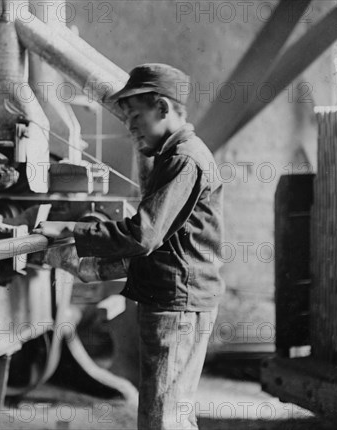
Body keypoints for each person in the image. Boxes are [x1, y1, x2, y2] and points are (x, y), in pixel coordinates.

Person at [33, 63, 224, 430]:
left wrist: (70, 229)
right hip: (182, 299)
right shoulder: (178, 156)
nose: (131, 126)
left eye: (137, 116)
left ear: (164, 109)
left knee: (161, 419)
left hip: (177, 303)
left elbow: (143, 235)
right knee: (173, 414)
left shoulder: (183, 159)